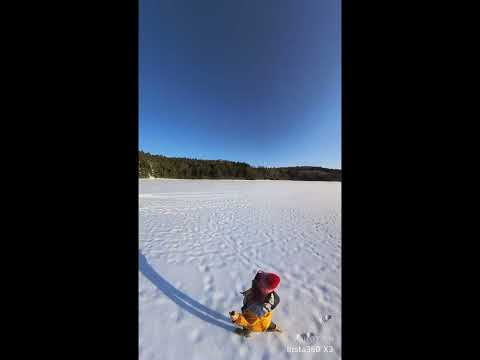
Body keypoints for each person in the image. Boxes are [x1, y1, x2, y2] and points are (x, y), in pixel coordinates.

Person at [229, 271, 281, 336]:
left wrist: (236, 318)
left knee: (248, 327)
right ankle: (274, 327)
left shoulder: (256, 307)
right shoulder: (270, 295)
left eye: (258, 282)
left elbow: (248, 322)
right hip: (265, 318)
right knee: (266, 321)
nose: (256, 281)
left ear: (262, 288)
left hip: (255, 322)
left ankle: (245, 333)